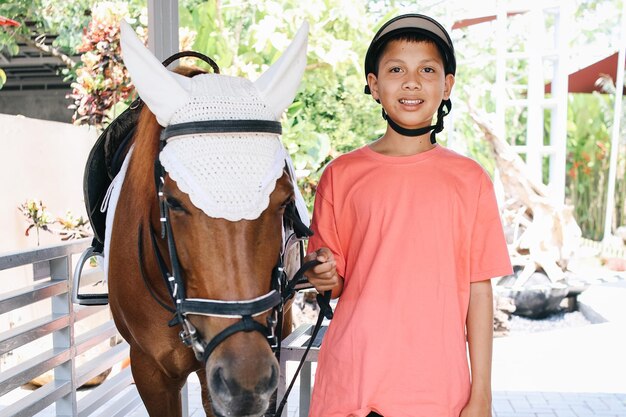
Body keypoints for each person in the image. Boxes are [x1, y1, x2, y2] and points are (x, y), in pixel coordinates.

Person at [304, 13, 513, 417]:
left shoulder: (470, 180)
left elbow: (479, 291)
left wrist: (481, 394)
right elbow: (334, 285)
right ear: (374, 84)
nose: (411, 81)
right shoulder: (341, 176)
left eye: (427, 70)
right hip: (352, 383)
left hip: (437, 391)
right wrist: (321, 274)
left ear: (446, 84)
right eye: (396, 69)